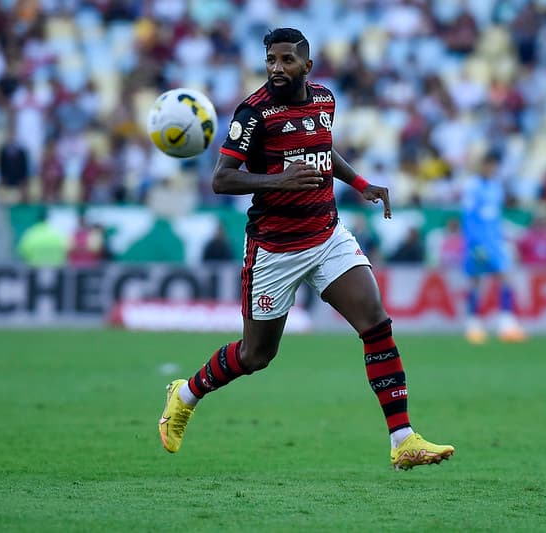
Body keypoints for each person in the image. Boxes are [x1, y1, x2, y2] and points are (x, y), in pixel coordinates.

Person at [159, 28, 454, 470]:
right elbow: (221, 179)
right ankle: (185, 394)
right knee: (256, 355)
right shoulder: (254, 113)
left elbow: (323, 152)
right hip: (275, 249)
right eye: (271, 60)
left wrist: (361, 184)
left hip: (327, 235)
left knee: (375, 323)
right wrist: (279, 179)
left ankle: (403, 439)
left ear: (307, 66)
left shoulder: (324, 100)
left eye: (286, 60)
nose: (277, 68)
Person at [461, 151, 526, 343]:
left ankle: (505, 323)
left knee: (505, 277)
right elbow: (468, 216)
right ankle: (473, 325)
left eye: (494, 166)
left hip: (494, 242)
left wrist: (502, 239)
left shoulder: (496, 188)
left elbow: (495, 218)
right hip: (477, 243)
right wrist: (474, 243)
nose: (491, 169)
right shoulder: (472, 187)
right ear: (482, 165)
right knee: (476, 281)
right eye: (488, 165)